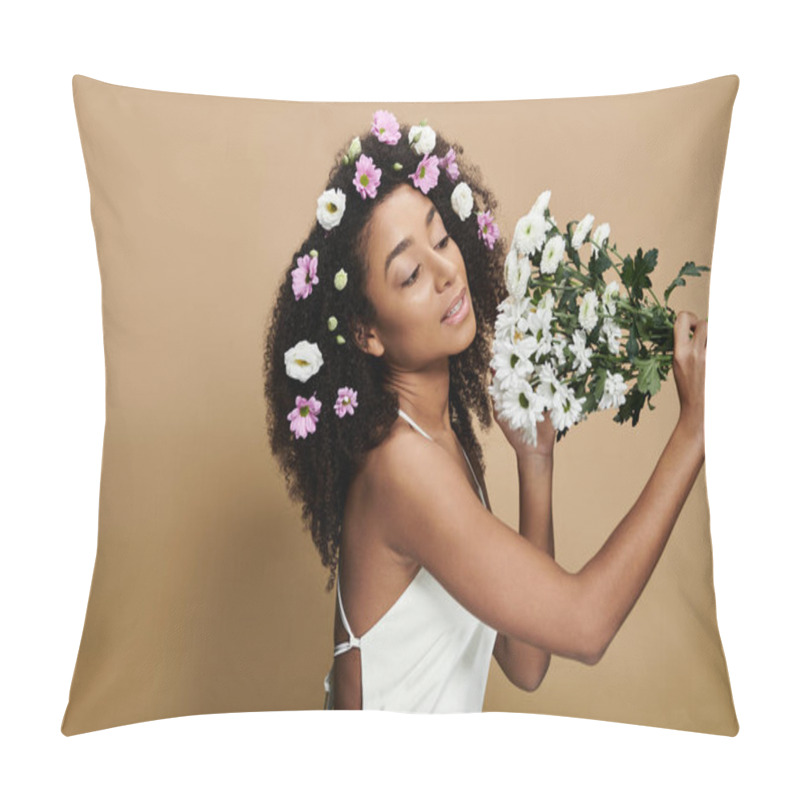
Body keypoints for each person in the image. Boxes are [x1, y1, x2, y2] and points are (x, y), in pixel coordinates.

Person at [262, 110, 707, 712]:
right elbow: (586, 626)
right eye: (411, 272)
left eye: (442, 238)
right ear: (366, 333)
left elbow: (524, 661)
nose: (448, 271)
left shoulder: (433, 441)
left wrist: (536, 461)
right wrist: (694, 429)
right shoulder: (402, 469)